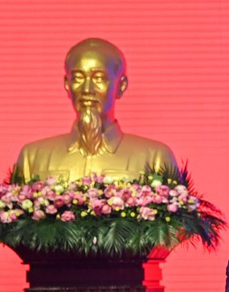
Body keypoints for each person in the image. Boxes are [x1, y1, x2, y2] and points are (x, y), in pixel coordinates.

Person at [13, 37, 177, 183]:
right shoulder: (32, 157)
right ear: (67, 84)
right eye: (77, 78)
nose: (87, 89)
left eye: (99, 78)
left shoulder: (155, 157)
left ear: (121, 86)